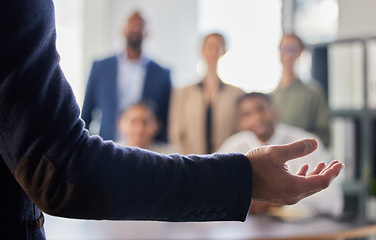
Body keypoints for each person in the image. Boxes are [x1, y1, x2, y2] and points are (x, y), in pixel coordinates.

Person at [0, 1, 344, 239]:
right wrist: (242, 178)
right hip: (108, 166)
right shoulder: (110, 69)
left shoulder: (174, 77)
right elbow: (59, 168)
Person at [218, 92, 343, 216]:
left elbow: (332, 201)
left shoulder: (305, 142)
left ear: (275, 111)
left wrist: (278, 202)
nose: (256, 118)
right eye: (246, 114)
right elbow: (216, 189)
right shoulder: (234, 146)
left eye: (261, 109)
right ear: (240, 122)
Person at [82, 11, 172, 142]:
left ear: (147, 33)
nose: (135, 28)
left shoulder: (162, 74)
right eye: (131, 24)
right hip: (107, 145)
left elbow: (165, 120)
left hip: (147, 151)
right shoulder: (100, 67)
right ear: (122, 29)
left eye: (140, 25)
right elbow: (87, 112)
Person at [169, 33, 244, 155]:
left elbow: (238, 131)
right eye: (209, 46)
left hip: (225, 162)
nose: (213, 52)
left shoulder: (236, 94)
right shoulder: (183, 92)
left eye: (217, 47)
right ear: (202, 50)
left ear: (224, 51)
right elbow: (176, 133)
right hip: (191, 163)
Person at [272, 33, 330, 147]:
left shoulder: (312, 93)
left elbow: (324, 135)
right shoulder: (271, 96)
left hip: (303, 157)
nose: (287, 55)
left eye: (292, 50)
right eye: (283, 49)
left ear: (300, 53)